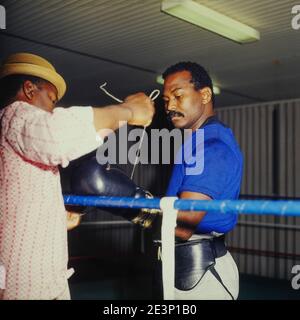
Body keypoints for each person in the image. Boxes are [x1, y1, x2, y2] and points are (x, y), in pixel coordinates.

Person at [0, 52, 154, 300]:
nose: (53, 108)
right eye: (50, 99)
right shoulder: (15, 116)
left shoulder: (10, 136)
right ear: (29, 90)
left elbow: (14, 205)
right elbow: (57, 136)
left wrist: (56, 216)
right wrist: (127, 111)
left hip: (32, 278)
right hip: (27, 285)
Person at [157, 61, 243, 300]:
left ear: (204, 95)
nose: (170, 106)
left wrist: (133, 206)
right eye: (166, 101)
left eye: (177, 96)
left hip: (204, 274)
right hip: (184, 268)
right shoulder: (194, 143)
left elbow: (184, 225)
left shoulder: (210, 146)